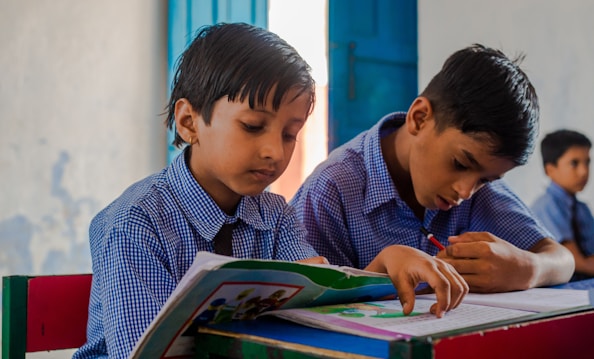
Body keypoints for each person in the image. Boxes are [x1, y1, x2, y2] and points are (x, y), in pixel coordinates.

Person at [73, 23, 465, 359]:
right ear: (189, 122)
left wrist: (382, 267)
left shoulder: (274, 215)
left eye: (290, 134)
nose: (274, 152)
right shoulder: (136, 223)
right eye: (253, 126)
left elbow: (321, 294)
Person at [291, 44, 575, 295]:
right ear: (420, 118)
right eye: (460, 164)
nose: (465, 191)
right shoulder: (334, 187)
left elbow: (562, 259)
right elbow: (306, 303)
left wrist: (527, 268)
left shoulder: (478, 187)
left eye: (485, 180)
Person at [531, 129, 594, 280]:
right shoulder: (547, 207)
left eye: (587, 162)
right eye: (574, 163)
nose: (584, 172)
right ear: (550, 170)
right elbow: (575, 261)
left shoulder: (582, 209)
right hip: (562, 288)